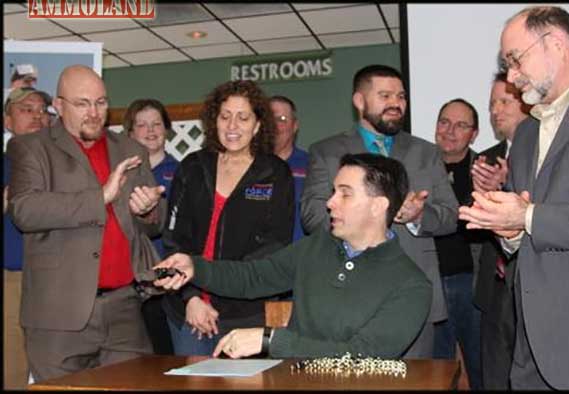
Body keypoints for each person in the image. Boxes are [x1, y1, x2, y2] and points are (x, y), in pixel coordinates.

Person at [154, 153, 432, 359]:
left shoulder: (411, 286)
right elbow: (253, 277)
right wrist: (195, 267)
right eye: (333, 192)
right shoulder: (316, 247)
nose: (330, 202)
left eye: (345, 194)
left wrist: (271, 341)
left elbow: (362, 358)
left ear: (378, 206)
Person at [459, 6, 569, 390]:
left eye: (515, 61)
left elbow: (535, 216)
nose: (512, 77)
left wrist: (528, 216)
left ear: (555, 43)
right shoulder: (526, 136)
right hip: (528, 344)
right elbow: (522, 235)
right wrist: (507, 228)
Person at [6, 65, 166, 382]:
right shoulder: (31, 147)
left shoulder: (131, 149)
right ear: (59, 105)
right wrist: (101, 196)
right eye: (82, 104)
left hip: (124, 309)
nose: (94, 113)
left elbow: (153, 225)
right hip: (57, 315)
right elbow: (24, 210)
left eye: (101, 103)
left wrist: (147, 210)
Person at [301, 64, 458, 357]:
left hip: (413, 296)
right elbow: (312, 216)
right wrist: (357, 216)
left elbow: (451, 215)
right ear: (359, 101)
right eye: (385, 95)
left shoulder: (426, 152)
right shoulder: (327, 151)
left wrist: (418, 216)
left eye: (401, 96)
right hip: (347, 295)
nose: (396, 104)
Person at [161, 80, 295, 356]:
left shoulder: (275, 173)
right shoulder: (192, 167)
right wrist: (191, 298)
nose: (232, 126)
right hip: (190, 310)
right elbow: (174, 241)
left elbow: (273, 248)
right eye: (225, 116)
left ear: (258, 125)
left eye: (243, 117)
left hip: (245, 314)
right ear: (214, 121)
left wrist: (222, 288)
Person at [471, 72, 530, 390]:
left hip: (535, 284)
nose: (496, 110)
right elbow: (472, 222)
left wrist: (508, 186)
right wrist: (487, 195)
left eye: (504, 101)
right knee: (494, 373)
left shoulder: (545, 154)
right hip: (494, 285)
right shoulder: (486, 158)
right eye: (492, 103)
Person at [3, 87, 52, 390]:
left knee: (59, 366)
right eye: (26, 109)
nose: (37, 115)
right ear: (7, 120)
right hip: (14, 279)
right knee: (12, 368)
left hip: (59, 280)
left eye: (42, 110)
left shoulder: (63, 164)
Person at [432, 98, 483, 390]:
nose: (450, 131)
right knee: (436, 372)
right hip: (430, 283)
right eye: (444, 122)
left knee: (481, 365)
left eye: (461, 125)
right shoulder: (417, 168)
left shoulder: (487, 170)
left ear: (474, 134)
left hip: (473, 284)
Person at [123, 98, 179, 355]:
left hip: (169, 278)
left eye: (157, 124)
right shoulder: (121, 173)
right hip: (128, 278)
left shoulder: (183, 171)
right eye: (142, 125)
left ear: (166, 129)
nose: (151, 130)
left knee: (167, 352)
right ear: (130, 132)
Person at [269, 95, 309, 242]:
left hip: (299, 257)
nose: (274, 125)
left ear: (295, 126)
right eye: (269, 119)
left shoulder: (311, 166)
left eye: (282, 120)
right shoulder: (246, 166)